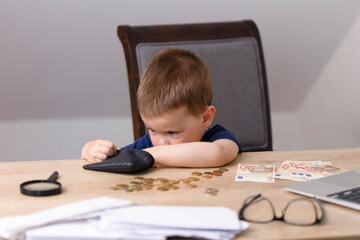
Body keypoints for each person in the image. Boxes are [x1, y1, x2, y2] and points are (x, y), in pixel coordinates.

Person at [81, 48, 241, 167]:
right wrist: (90, 150)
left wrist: (149, 154)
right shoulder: (149, 143)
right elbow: (118, 159)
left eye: (172, 132)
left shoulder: (219, 138)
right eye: (153, 130)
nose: (161, 142)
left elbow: (216, 154)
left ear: (205, 118)